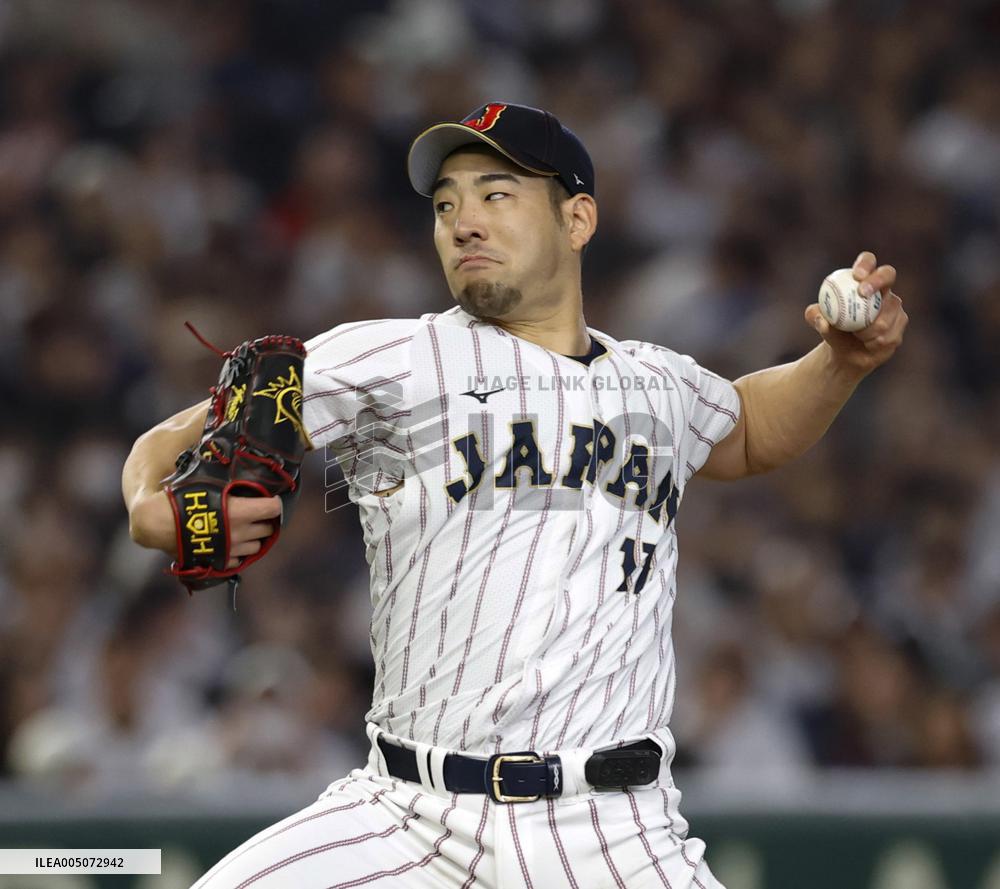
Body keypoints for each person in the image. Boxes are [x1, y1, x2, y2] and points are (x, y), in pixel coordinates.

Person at [123, 102, 907, 888]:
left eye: (496, 194)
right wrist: (152, 508)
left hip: (614, 830)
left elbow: (750, 426)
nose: (464, 221)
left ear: (578, 219)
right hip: (408, 815)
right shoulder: (395, 357)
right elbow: (168, 442)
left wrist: (838, 362)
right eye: (446, 205)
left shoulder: (657, 382)